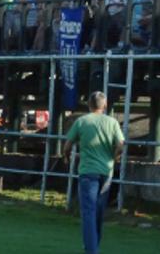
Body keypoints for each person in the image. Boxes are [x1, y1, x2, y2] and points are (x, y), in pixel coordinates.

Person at [62, 91, 125, 254]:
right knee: (99, 211)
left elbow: (67, 145)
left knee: (88, 212)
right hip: (106, 171)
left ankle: (91, 249)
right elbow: (120, 145)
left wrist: (66, 157)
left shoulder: (82, 121)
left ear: (89, 105)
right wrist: (114, 157)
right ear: (104, 105)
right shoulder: (112, 122)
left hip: (88, 171)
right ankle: (94, 244)